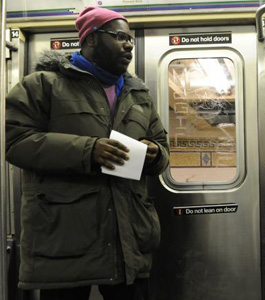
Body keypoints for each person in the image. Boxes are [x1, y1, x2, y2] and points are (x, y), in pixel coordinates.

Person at [5, 6, 169, 300]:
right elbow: (15, 141)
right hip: (65, 241)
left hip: (127, 240)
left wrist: (155, 154)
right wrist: (89, 151)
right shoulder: (43, 85)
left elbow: (162, 149)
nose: (129, 44)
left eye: (130, 38)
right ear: (91, 39)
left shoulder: (138, 94)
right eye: (120, 36)